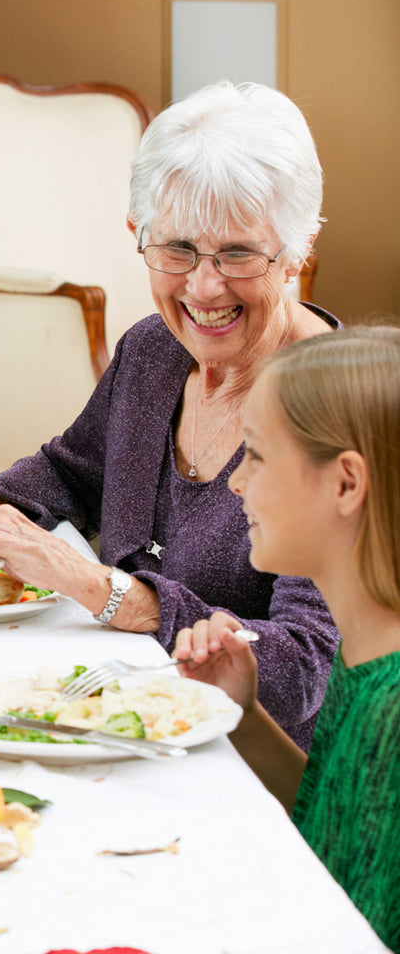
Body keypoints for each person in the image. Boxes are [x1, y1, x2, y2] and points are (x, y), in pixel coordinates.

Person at [0, 81, 338, 750]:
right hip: (119, 713)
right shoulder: (153, 352)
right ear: (138, 236)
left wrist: (113, 593)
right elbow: (72, 469)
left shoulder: (340, 408)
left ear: (298, 249)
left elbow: (305, 666)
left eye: (239, 254)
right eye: (177, 250)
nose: (203, 286)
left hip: (253, 764)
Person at [174, 327, 400, 952]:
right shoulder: (366, 653)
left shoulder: (392, 707)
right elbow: (335, 824)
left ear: (346, 484)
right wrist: (243, 716)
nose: (236, 483)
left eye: (256, 455)